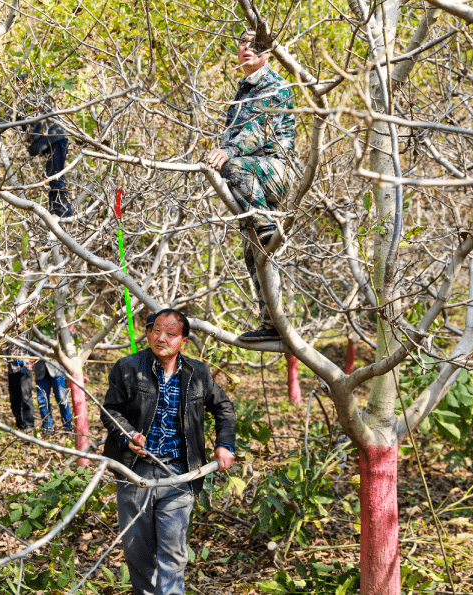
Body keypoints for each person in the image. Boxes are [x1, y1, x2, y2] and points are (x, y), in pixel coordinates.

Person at [101, 309, 236, 595]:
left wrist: (225, 444)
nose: (161, 338)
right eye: (156, 330)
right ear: (148, 333)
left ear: (183, 341)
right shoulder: (127, 368)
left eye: (171, 334)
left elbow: (224, 408)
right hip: (134, 471)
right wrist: (128, 436)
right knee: (137, 551)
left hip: (180, 472)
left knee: (173, 552)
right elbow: (110, 410)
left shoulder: (198, 373)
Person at [207, 30, 297, 342]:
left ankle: (264, 224)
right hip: (253, 176)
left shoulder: (274, 85)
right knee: (254, 252)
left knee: (230, 166)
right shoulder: (243, 89)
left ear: (269, 52)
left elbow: (260, 131)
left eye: (256, 45)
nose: (247, 49)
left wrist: (228, 153)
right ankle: (273, 325)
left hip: (272, 171)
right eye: (243, 43)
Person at [0, 74, 74, 219]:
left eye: (18, 84)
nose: (16, 88)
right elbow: (9, 117)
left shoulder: (28, 100)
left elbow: (8, 119)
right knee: (53, 174)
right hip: (54, 140)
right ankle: (55, 208)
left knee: (55, 176)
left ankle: (64, 211)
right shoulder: (37, 97)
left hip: (54, 139)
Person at [33, 359, 72, 434]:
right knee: (42, 401)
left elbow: (75, 348)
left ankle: (68, 427)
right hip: (40, 370)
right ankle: (47, 428)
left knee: (62, 398)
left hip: (57, 369)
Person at [5, 342, 36, 432]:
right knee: (14, 399)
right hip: (12, 370)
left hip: (24, 369)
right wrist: (7, 358)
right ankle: (20, 424)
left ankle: (29, 425)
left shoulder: (27, 334)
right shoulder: (9, 334)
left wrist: (25, 359)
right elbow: (6, 350)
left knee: (26, 397)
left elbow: (34, 350)